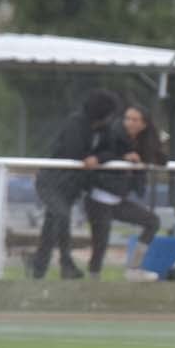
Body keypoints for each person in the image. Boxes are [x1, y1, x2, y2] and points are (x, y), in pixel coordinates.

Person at [30, 89, 121, 279]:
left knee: (52, 223)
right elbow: (73, 151)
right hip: (53, 181)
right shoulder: (76, 123)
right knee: (61, 215)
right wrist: (92, 157)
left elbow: (112, 151)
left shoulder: (104, 130)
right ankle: (65, 263)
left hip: (72, 185)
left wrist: (97, 158)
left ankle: (39, 267)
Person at [85, 105, 165, 282]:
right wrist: (122, 159)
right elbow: (100, 155)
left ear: (143, 124)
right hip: (98, 198)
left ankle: (133, 269)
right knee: (100, 243)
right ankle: (93, 281)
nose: (129, 123)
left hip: (118, 200)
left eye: (134, 120)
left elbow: (161, 159)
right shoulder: (112, 134)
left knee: (152, 222)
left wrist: (148, 155)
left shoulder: (145, 141)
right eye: (127, 118)